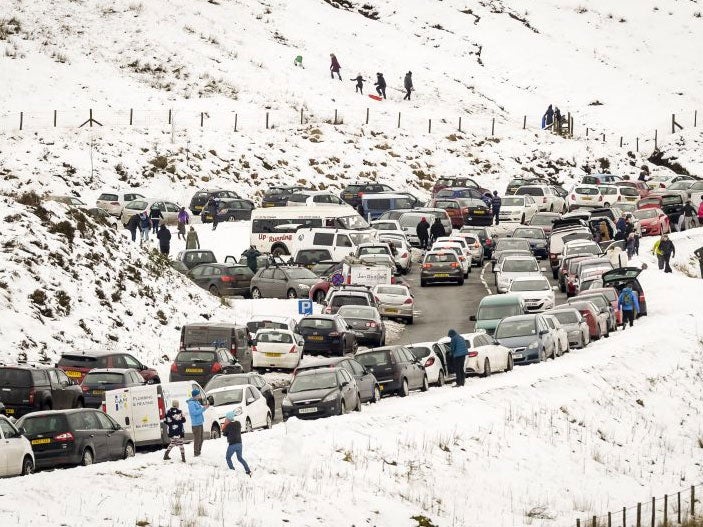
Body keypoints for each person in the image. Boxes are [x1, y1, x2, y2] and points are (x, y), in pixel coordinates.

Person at [186, 389, 208, 457]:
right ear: (195, 396)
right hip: (196, 424)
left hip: (200, 423)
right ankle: (196, 453)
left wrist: (205, 407)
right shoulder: (191, 403)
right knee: (197, 440)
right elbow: (194, 412)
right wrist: (203, 409)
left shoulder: (196, 401)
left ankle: (198, 452)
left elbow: (200, 409)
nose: (199, 396)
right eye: (198, 395)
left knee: (201, 439)